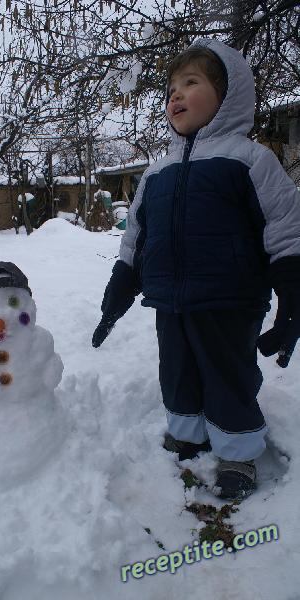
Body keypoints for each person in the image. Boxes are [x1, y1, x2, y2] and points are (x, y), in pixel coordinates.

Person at [92, 38, 300, 501]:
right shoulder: (157, 172)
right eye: (170, 88)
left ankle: (237, 453)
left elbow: (286, 229)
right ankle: (188, 434)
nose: (176, 95)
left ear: (227, 96)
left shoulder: (249, 160)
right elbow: (136, 240)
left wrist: (291, 297)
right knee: (177, 371)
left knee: (228, 374)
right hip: (170, 301)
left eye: (192, 82)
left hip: (229, 299)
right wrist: (120, 287)